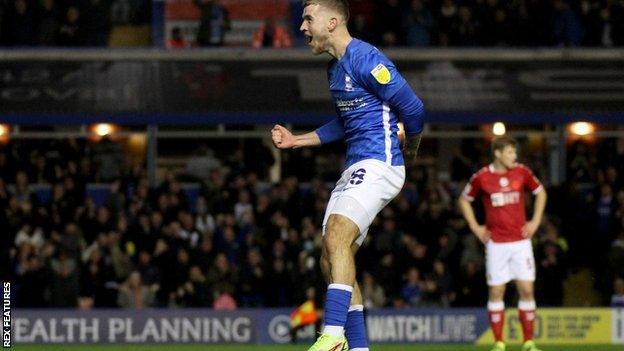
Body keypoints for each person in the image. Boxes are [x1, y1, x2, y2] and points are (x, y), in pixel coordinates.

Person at [270, 1, 425, 350]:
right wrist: (298, 140)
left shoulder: (367, 59)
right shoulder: (334, 70)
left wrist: (411, 149)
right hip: (356, 166)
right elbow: (345, 121)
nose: (302, 27)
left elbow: (413, 108)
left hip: (380, 164)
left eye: (308, 19)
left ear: (333, 21)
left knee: (338, 234)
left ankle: (333, 335)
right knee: (332, 255)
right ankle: (358, 347)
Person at [458, 137, 547, 351]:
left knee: (526, 290)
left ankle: (528, 342)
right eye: (510, 153)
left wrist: (535, 221)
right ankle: (499, 342)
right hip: (496, 244)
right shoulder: (482, 177)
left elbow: (541, 192)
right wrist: (475, 227)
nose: (514, 157)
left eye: (514, 153)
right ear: (497, 153)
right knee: (497, 292)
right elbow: (464, 200)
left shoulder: (522, 172)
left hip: (521, 242)